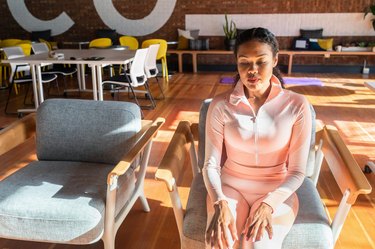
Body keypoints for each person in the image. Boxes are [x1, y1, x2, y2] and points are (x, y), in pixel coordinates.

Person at [202, 27, 312, 249]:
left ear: (275, 60)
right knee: (221, 244)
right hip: (230, 188)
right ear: (237, 63)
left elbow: (298, 171)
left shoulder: (297, 105)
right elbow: (210, 164)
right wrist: (220, 202)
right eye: (244, 62)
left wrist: (269, 204)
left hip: (277, 190)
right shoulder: (220, 105)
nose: (252, 70)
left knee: (257, 245)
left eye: (261, 61)